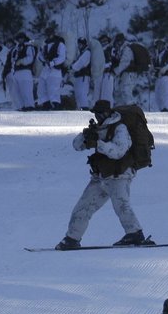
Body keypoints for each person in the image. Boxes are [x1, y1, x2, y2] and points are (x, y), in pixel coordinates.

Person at [55, 100, 152, 250]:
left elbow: (119, 152)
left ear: (108, 112)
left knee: (121, 206)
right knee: (83, 208)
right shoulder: (98, 128)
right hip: (100, 176)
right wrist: (86, 137)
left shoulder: (120, 127)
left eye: (100, 113)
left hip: (119, 175)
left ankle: (135, 234)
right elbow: (76, 145)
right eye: (96, 113)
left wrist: (98, 144)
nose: (98, 116)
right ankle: (72, 238)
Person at [4, 32, 37, 111]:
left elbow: (30, 58)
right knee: (18, 91)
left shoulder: (28, 46)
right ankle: (22, 106)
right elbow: (12, 59)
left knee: (26, 90)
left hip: (26, 71)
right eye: (18, 38)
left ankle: (30, 106)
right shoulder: (16, 48)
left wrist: (21, 61)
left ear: (24, 38)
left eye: (21, 38)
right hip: (16, 71)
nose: (20, 40)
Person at [37, 26, 67, 110]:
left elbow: (62, 57)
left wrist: (53, 62)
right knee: (41, 87)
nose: (48, 36)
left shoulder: (60, 44)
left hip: (55, 70)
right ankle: (46, 104)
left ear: (53, 34)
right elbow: (40, 55)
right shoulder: (45, 44)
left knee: (53, 89)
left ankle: (56, 106)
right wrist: (43, 59)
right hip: (46, 69)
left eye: (50, 34)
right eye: (47, 34)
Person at [112, 33, 136, 106]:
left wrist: (115, 71)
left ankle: (131, 107)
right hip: (124, 74)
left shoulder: (127, 49)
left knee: (126, 90)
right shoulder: (121, 50)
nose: (118, 43)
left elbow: (124, 63)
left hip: (129, 73)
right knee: (121, 90)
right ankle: (123, 108)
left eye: (119, 41)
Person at [71, 37, 92, 110]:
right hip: (79, 76)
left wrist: (72, 68)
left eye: (81, 44)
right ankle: (79, 108)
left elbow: (81, 63)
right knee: (78, 93)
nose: (79, 45)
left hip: (84, 77)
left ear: (84, 44)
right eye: (79, 44)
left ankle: (85, 108)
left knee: (82, 93)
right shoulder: (81, 53)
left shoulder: (87, 52)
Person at [97, 34, 116, 106]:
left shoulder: (111, 49)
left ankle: (109, 108)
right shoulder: (102, 50)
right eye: (102, 41)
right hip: (103, 74)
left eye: (105, 41)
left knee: (107, 92)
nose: (104, 42)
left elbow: (112, 61)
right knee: (103, 92)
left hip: (109, 73)